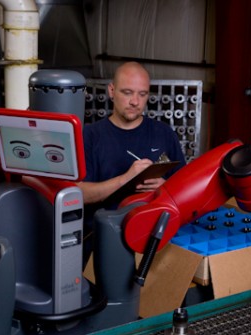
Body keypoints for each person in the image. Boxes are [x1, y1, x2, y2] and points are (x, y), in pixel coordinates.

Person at [80, 62, 186, 259]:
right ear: (111, 91)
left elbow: (184, 191)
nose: (135, 102)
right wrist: (126, 179)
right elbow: (79, 194)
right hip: (103, 242)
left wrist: (164, 187)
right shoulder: (90, 136)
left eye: (142, 94)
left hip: (154, 240)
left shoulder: (164, 134)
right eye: (127, 92)